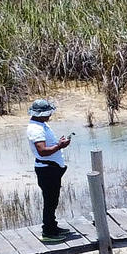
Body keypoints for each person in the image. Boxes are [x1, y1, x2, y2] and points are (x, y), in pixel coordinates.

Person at [27, 99, 76, 242]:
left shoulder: (41, 124)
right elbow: (42, 151)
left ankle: (52, 227)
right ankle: (48, 232)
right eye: (48, 113)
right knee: (50, 201)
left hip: (51, 169)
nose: (50, 115)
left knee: (53, 200)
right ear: (40, 114)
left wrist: (57, 143)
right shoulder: (36, 129)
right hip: (47, 170)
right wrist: (59, 146)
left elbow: (46, 146)